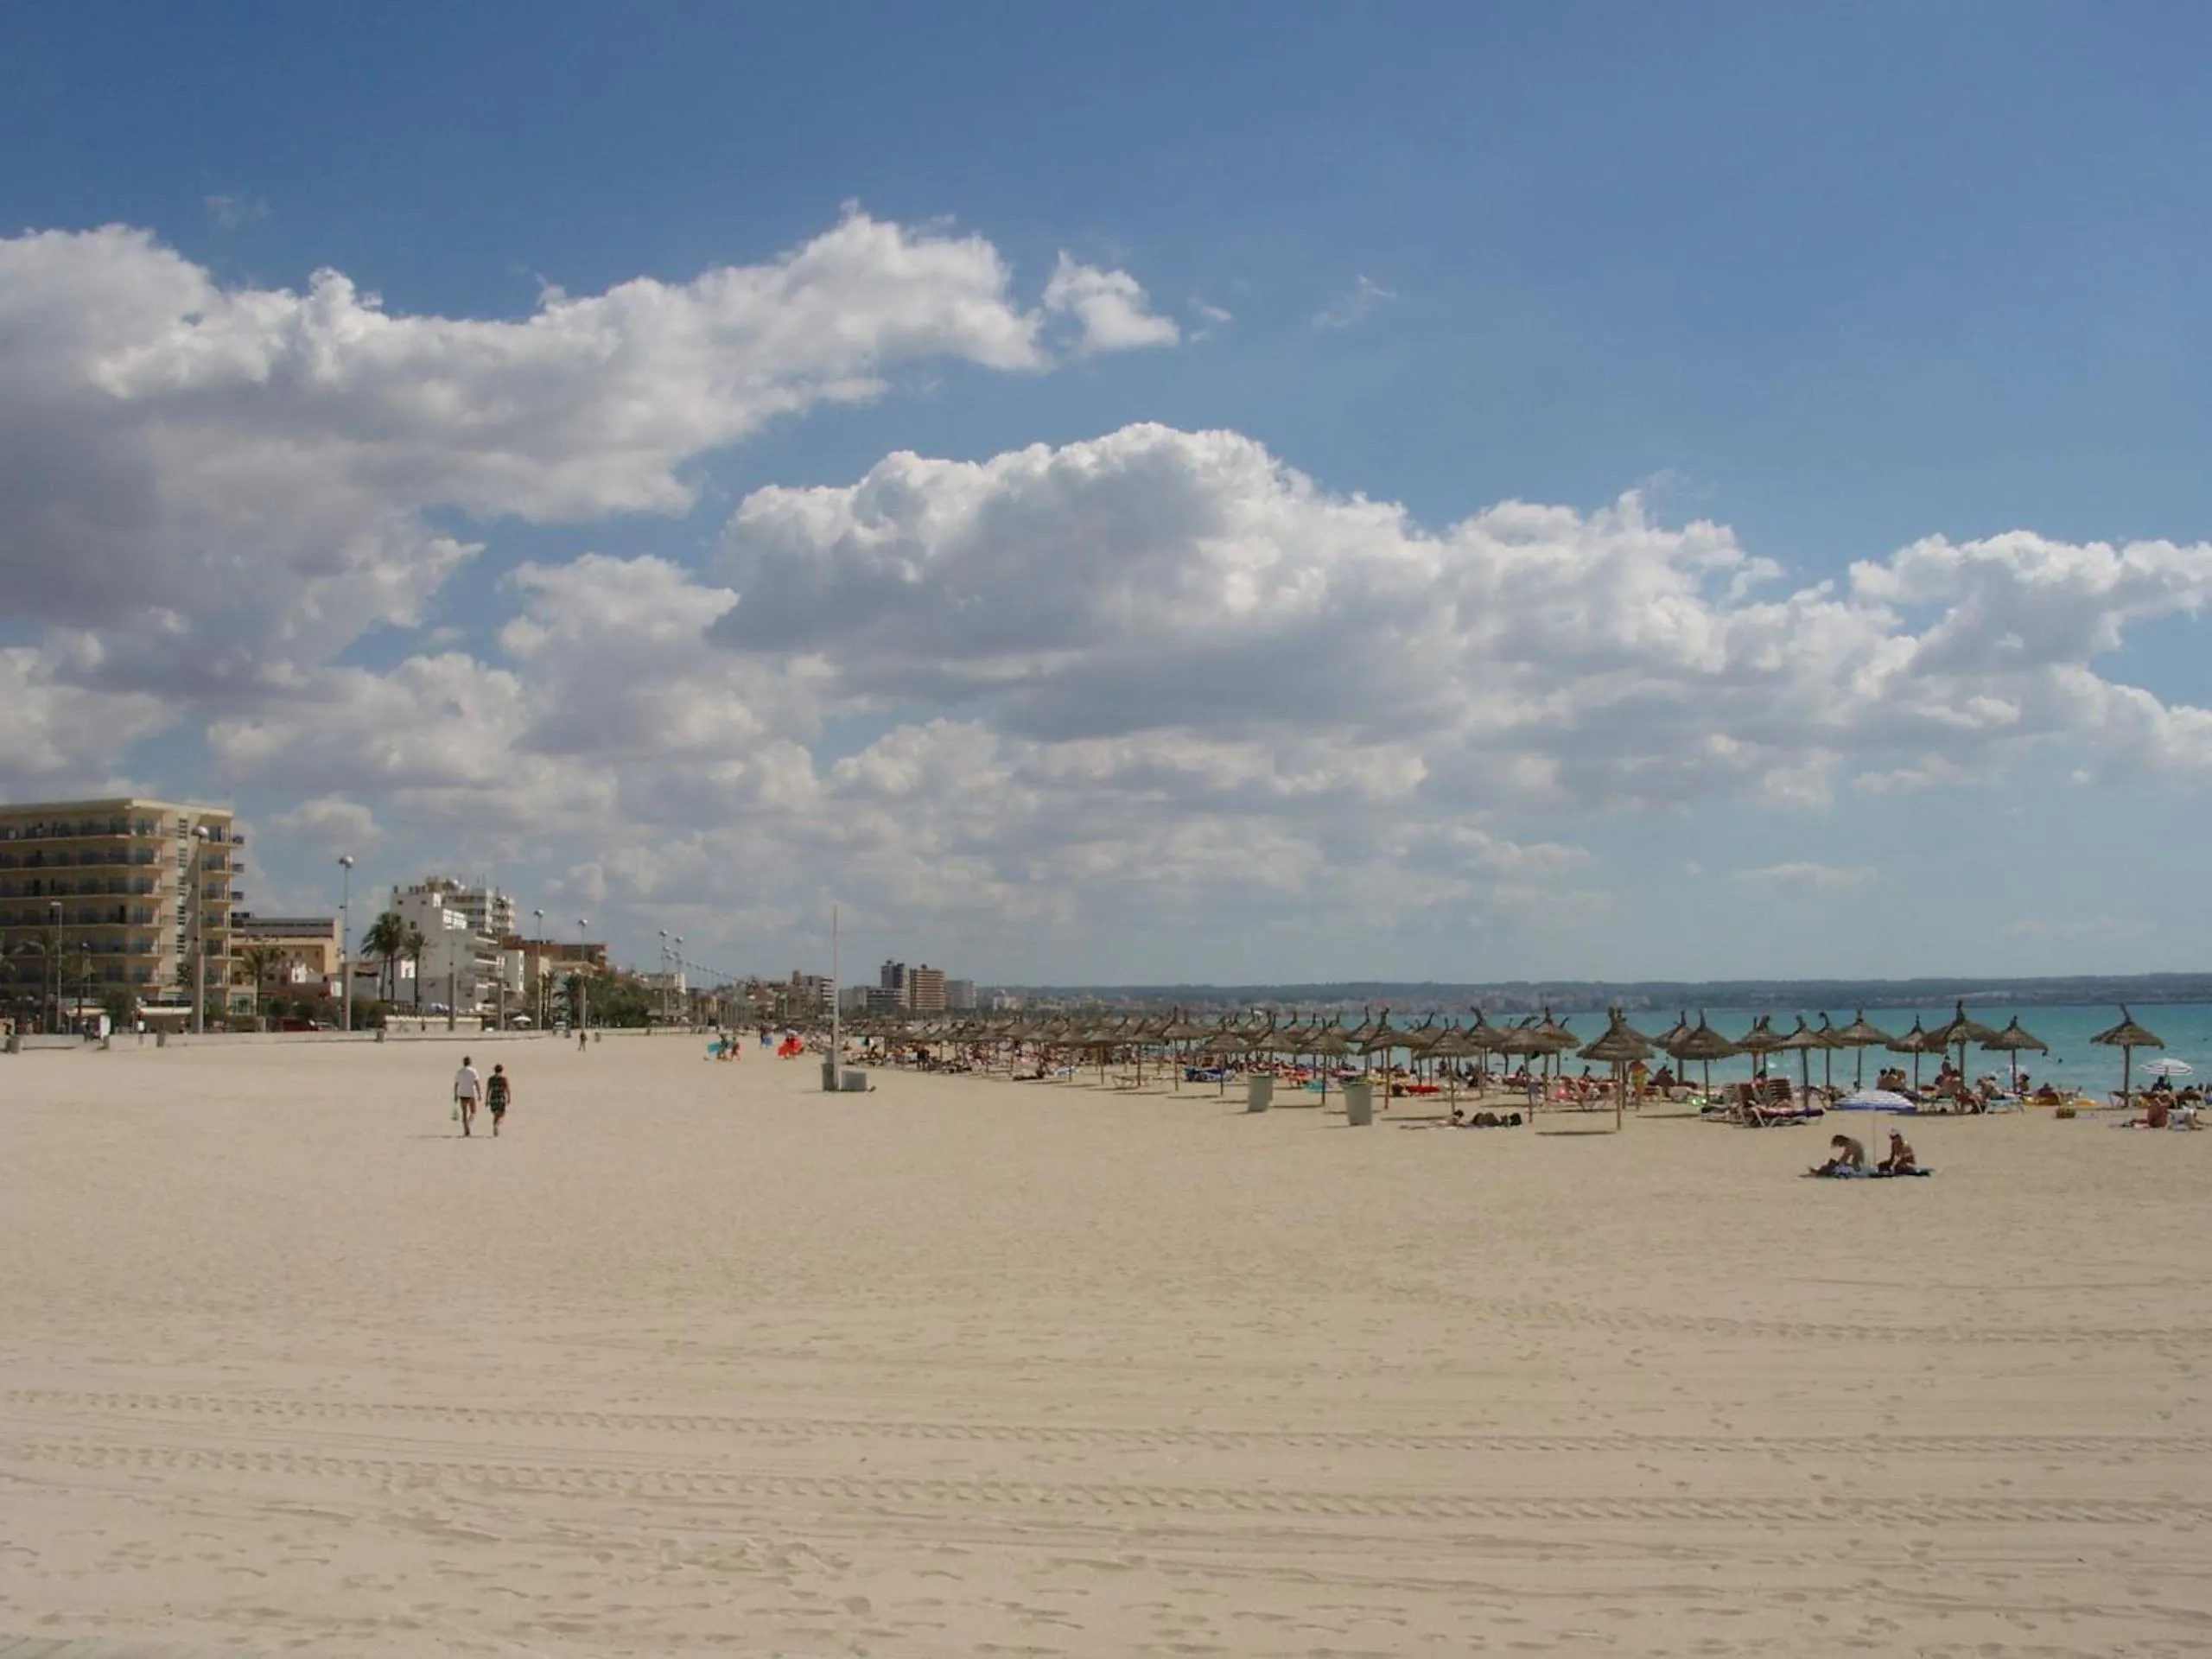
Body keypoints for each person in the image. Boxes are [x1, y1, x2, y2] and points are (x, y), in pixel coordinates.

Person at [453, 1054, 483, 1136]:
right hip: (471, 1093)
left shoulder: (459, 1072)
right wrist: (479, 1093)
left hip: (462, 1094)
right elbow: (476, 1083)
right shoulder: (473, 1071)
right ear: (470, 1062)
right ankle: (468, 1124)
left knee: (464, 1113)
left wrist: (455, 1095)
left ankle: (466, 1129)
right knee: (473, 1112)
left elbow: (456, 1084)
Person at [485, 1063, 511, 1136]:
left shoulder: (491, 1079)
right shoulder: (504, 1079)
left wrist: (486, 1100)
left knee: (495, 1115)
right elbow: (507, 1089)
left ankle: (495, 1127)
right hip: (501, 1097)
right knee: (502, 1114)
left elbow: (488, 1090)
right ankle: (497, 1126)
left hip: (493, 1097)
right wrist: (509, 1098)